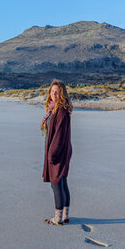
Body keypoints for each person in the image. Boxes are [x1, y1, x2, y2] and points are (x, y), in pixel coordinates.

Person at [41, 79, 73, 226]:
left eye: (57, 92)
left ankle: (58, 218)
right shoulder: (54, 109)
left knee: (56, 183)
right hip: (61, 150)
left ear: (62, 94)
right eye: (52, 91)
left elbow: (59, 135)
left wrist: (52, 154)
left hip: (58, 151)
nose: (54, 94)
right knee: (62, 182)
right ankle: (65, 215)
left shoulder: (60, 111)